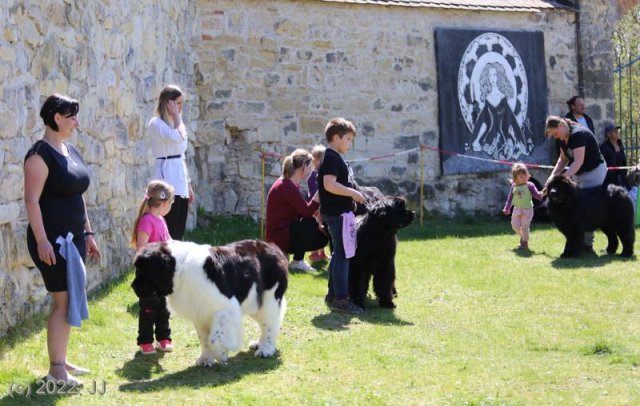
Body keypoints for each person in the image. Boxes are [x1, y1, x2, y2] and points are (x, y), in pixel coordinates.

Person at [24, 94, 101, 385]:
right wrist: (42, 241)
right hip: (52, 243)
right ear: (56, 118)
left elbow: (77, 196)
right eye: (72, 117)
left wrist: (89, 233)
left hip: (75, 240)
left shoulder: (69, 151)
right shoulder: (39, 156)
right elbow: (31, 201)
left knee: (68, 300)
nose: (77, 123)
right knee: (63, 301)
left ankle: (62, 360)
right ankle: (56, 370)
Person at [318, 118, 366, 314]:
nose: (350, 143)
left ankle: (333, 294)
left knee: (339, 253)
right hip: (337, 214)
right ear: (336, 138)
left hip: (337, 212)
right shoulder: (331, 157)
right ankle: (341, 299)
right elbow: (329, 185)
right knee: (343, 255)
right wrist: (353, 193)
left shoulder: (332, 157)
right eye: (347, 139)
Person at [544, 115, 606, 252]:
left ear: (560, 125)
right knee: (579, 205)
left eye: (555, 133)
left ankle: (587, 245)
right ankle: (578, 241)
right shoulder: (563, 138)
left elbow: (578, 161)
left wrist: (562, 180)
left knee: (587, 206)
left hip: (594, 171)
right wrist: (551, 179)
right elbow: (562, 160)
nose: (555, 136)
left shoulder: (578, 135)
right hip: (579, 173)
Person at [130, 180, 175, 355]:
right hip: (148, 273)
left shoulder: (161, 220)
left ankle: (163, 338)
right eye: (171, 203)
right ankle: (146, 341)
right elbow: (141, 248)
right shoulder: (147, 221)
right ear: (163, 203)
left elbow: (168, 240)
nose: (170, 207)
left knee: (164, 306)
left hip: (162, 272)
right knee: (148, 307)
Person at [265, 149, 329, 273]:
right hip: (279, 235)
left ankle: (297, 260)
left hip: (285, 231)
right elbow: (306, 212)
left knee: (322, 236)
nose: (310, 171)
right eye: (309, 167)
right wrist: (319, 193)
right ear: (304, 166)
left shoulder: (290, 184)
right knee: (310, 223)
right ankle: (297, 262)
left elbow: (301, 211)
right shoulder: (286, 185)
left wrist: (317, 219)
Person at [148, 84, 195, 240]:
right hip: (166, 176)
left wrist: (188, 184)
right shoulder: (156, 123)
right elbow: (177, 137)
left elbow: (181, 152)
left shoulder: (177, 124)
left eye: (181, 104)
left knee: (179, 225)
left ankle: (176, 261)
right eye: (178, 103)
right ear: (168, 102)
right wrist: (176, 116)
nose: (180, 108)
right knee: (168, 223)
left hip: (179, 178)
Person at [470, 62, 531, 160]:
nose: (492, 78)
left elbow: (512, 123)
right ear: (487, 77)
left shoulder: (503, 99)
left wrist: (519, 143)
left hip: (504, 139)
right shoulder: (488, 100)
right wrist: (477, 140)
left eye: (494, 75)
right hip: (490, 140)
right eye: (490, 75)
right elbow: (484, 122)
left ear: (499, 76)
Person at [502, 163, 543, 250]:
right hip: (517, 209)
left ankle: (524, 243)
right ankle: (524, 236)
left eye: (525, 175)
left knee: (525, 226)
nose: (524, 177)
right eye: (521, 176)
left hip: (528, 209)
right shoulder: (514, 186)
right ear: (515, 177)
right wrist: (507, 208)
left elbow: (536, 194)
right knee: (515, 226)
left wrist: (540, 195)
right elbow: (510, 198)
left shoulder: (530, 185)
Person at [307, 144, 330, 263]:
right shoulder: (313, 176)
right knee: (317, 230)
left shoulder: (322, 174)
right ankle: (314, 253)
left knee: (323, 230)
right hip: (316, 208)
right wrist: (317, 208)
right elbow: (313, 193)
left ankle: (322, 252)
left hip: (322, 207)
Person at [600, 123, 628, 188]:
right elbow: (601, 163)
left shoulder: (620, 145)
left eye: (617, 131)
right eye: (615, 131)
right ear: (608, 135)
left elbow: (623, 161)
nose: (617, 133)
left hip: (622, 178)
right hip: (610, 180)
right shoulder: (604, 147)